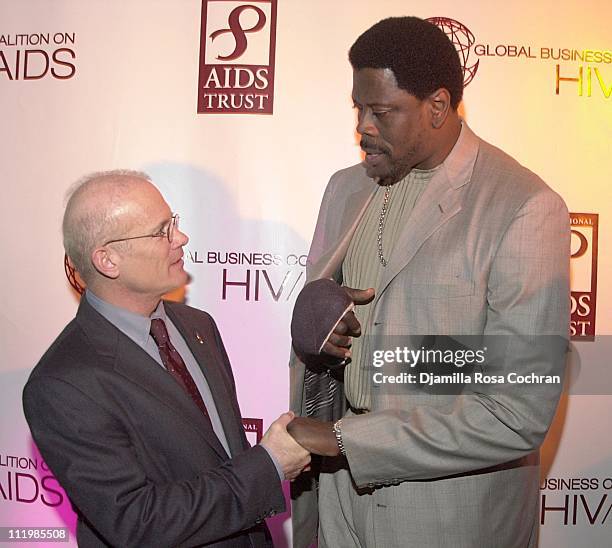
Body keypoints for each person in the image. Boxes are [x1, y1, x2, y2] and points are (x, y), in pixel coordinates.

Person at [288, 16, 569, 548]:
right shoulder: (345, 188)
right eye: (358, 108)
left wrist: (346, 440)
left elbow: (519, 409)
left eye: (382, 111)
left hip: (448, 514)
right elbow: (322, 338)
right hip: (336, 497)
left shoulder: (523, 208)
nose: (363, 127)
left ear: (438, 107)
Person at [23, 170, 310, 547]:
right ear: (108, 260)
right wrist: (269, 465)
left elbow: (220, 453)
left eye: (174, 222)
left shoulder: (198, 326)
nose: (181, 238)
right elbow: (136, 523)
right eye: (162, 231)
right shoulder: (63, 383)